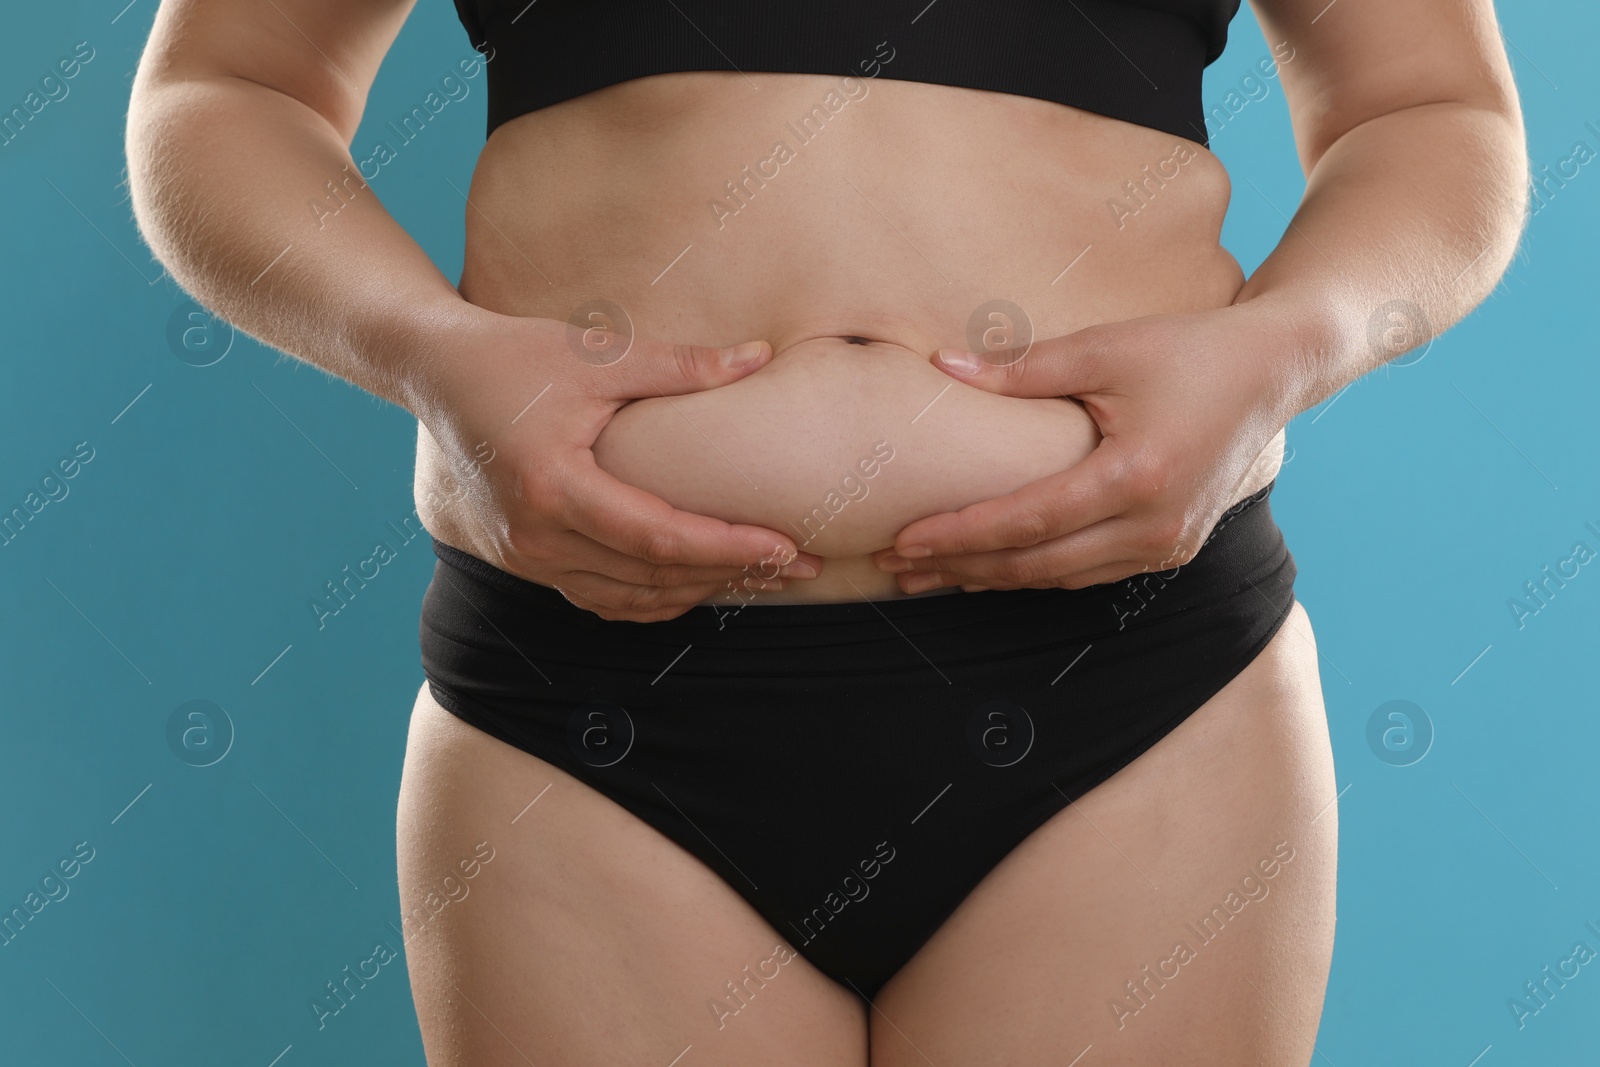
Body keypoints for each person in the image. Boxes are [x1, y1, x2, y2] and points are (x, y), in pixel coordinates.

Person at [126, 0, 1527, 1062]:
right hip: (594, 712)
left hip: (1130, 703)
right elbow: (226, 85)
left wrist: (1288, 349)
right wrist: (424, 351)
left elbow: (1429, 111)